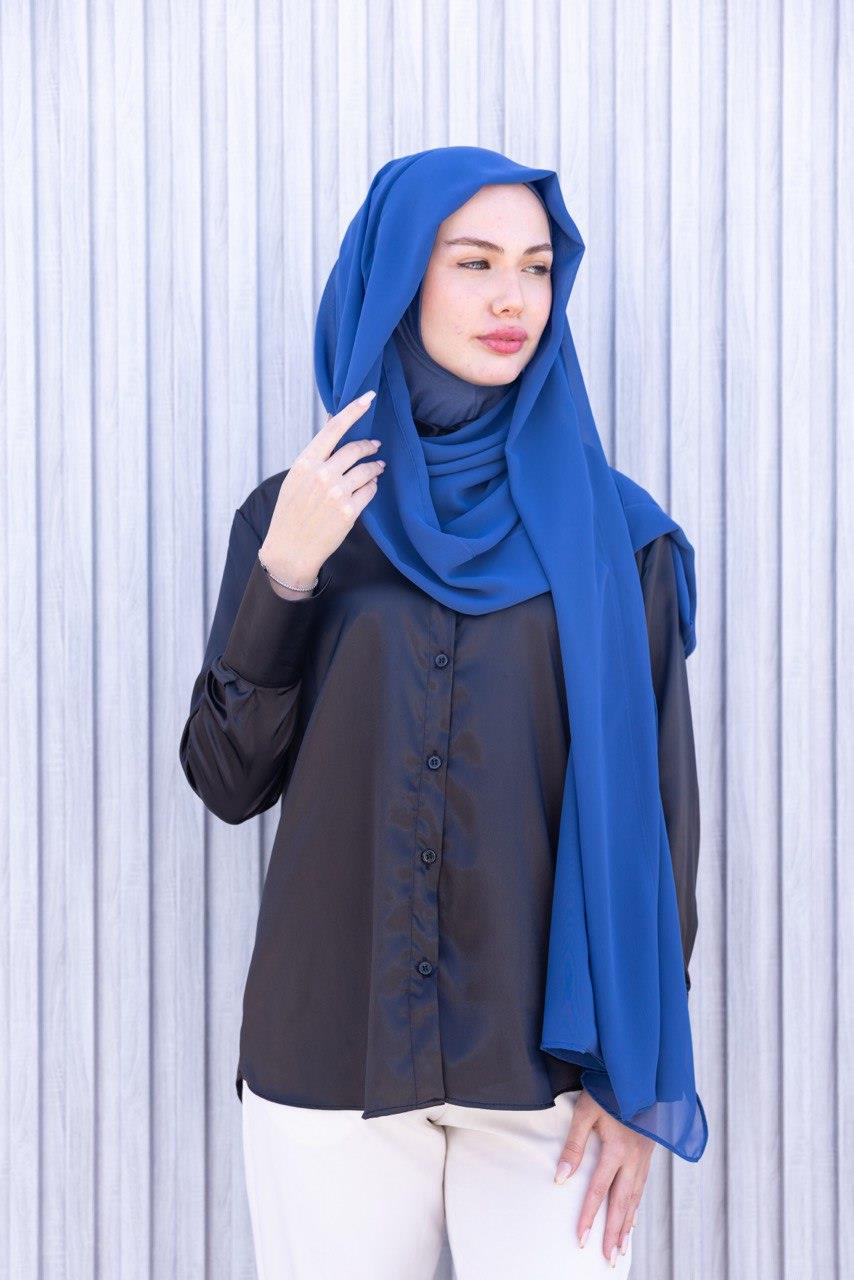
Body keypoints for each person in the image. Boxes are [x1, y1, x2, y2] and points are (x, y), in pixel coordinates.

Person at [179, 146, 706, 1279]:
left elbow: (661, 827)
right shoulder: (300, 515)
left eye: (536, 266)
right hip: (331, 1053)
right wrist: (283, 578)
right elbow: (226, 781)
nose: (513, 297)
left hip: (552, 1070)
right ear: (396, 280)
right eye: (473, 262)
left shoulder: (622, 540)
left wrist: (641, 1075)